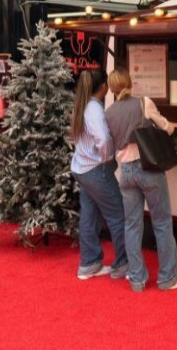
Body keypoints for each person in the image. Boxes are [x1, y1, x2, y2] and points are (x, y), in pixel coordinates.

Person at [105, 67, 177, 292]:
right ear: (130, 82)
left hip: (126, 173)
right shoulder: (144, 103)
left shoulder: (109, 112)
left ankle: (137, 279)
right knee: (161, 222)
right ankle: (168, 277)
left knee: (132, 225)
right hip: (148, 169)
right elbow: (165, 127)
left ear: (112, 88)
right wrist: (172, 126)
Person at [70, 69, 128, 281]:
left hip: (82, 168)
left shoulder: (82, 104)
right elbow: (103, 138)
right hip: (96, 170)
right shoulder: (94, 108)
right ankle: (123, 264)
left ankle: (89, 263)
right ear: (103, 87)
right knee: (118, 215)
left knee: (90, 215)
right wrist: (108, 157)